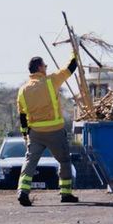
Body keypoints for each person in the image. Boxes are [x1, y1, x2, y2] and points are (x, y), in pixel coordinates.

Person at [16, 55, 78, 205]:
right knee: (64, 160)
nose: (46, 68)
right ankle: (66, 193)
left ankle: (22, 191)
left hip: (35, 133)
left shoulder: (23, 90)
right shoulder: (51, 81)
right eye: (45, 66)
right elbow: (70, 68)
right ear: (39, 68)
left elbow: (22, 117)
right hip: (55, 131)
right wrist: (74, 53)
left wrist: (26, 136)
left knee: (30, 162)